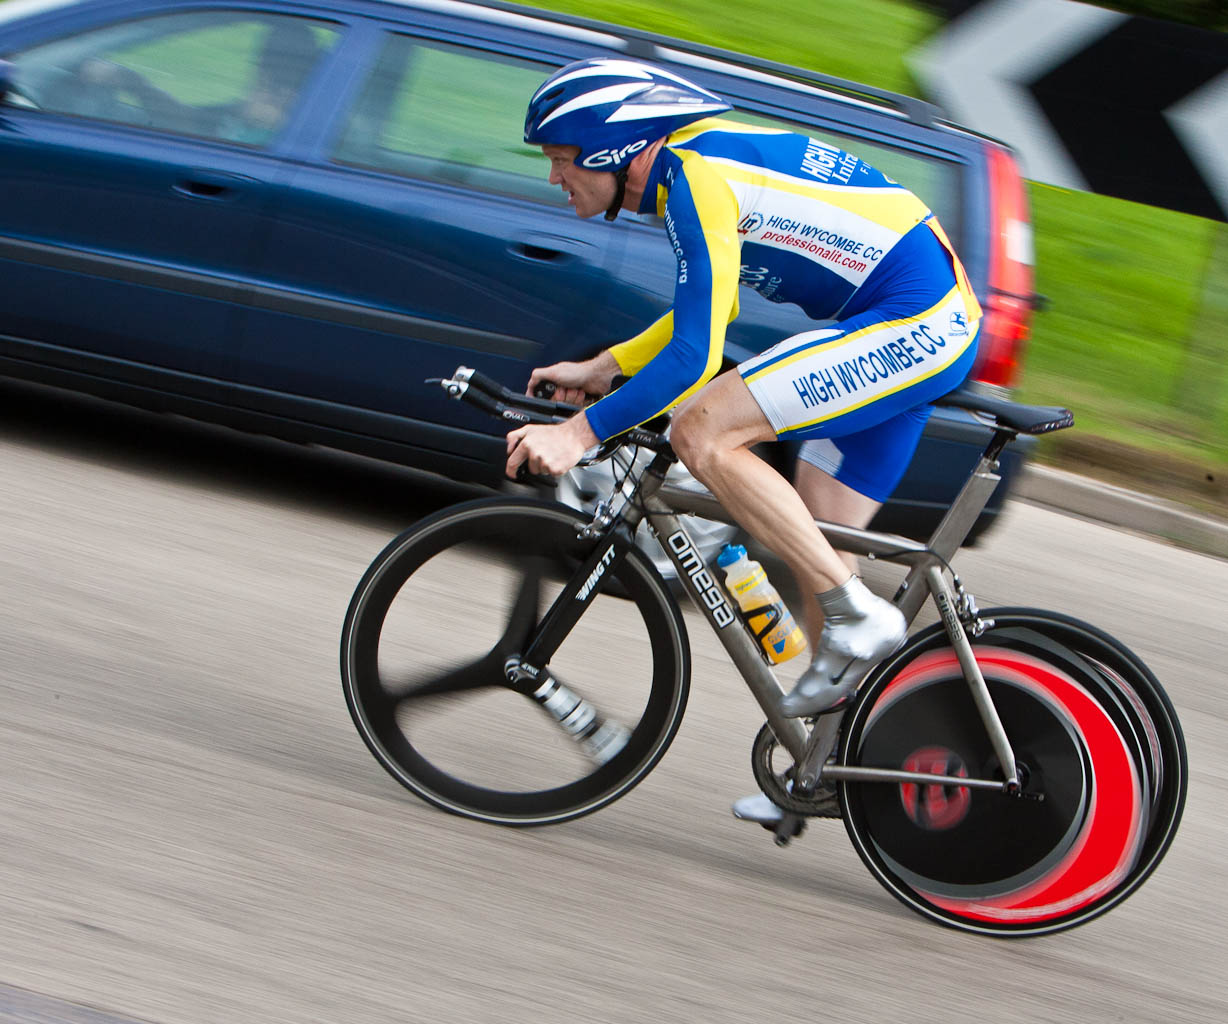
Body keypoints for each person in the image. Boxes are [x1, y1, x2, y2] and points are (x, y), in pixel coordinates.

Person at [508, 58, 982, 826]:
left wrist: (578, 433)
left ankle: (862, 618)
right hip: (919, 319)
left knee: (703, 430)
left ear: (609, 150)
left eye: (562, 159)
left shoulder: (697, 180)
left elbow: (696, 359)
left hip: (915, 320)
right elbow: (707, 314)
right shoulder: (695, 173)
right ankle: (833, 767)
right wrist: (604, 367)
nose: (555, 178)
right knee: (819, 536)